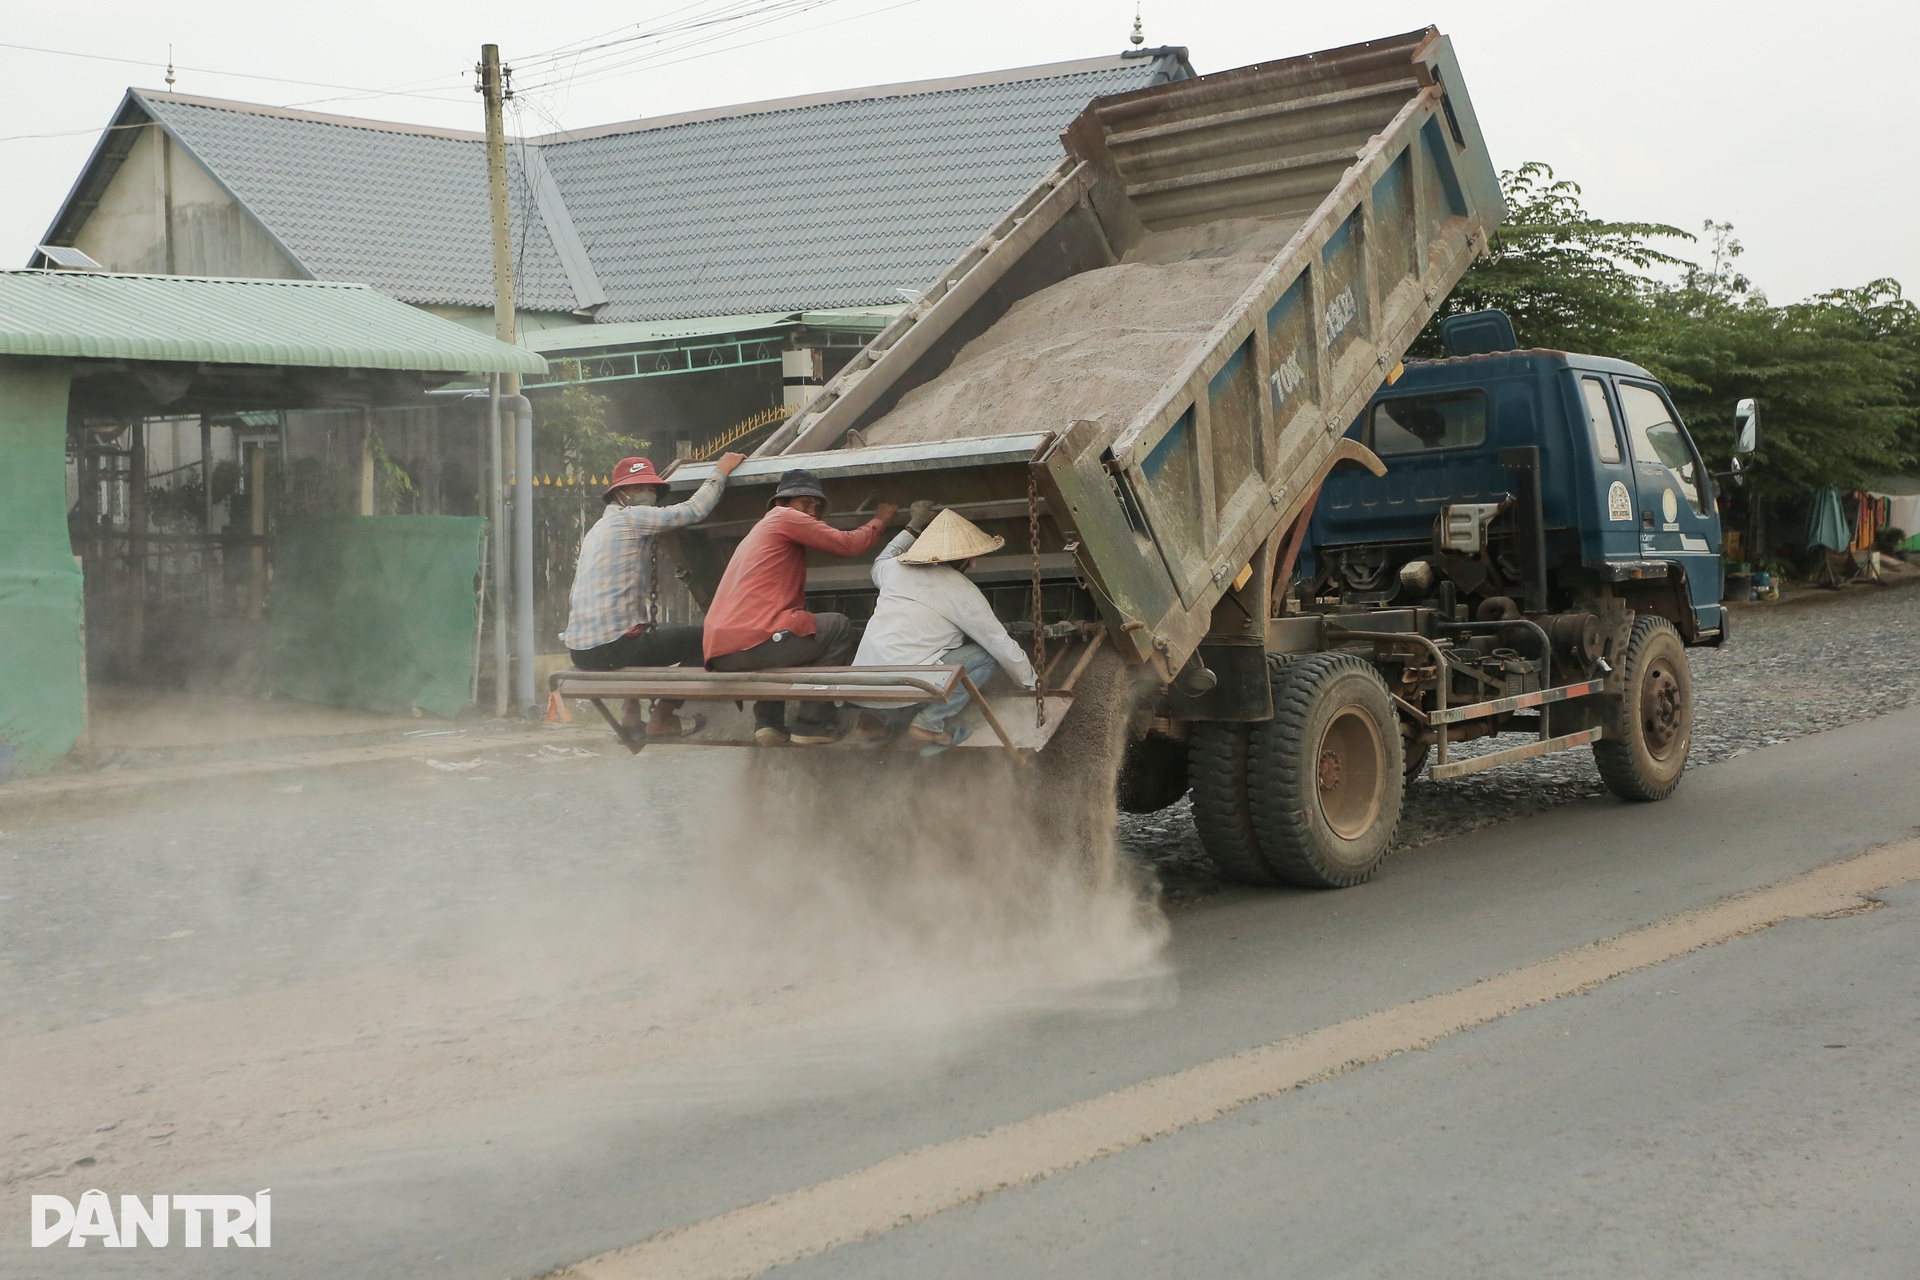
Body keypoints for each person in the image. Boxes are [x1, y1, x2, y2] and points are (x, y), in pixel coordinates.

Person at [703, 468, 896, 746]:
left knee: (790, 635)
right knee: (837, 627)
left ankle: (768, 724)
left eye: (816, 506)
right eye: (805, 503)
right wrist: (880, 520)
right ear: (782, 502)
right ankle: (813, 723)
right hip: (750, 642)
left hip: (723, 651)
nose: (812, 512)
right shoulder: (784, 517)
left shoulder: (760, 531)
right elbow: (848, 545)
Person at [561, 451, 747, 737]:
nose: (647, 493)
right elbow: (695, 509)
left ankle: (631, 714)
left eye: (651, 489)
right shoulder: (632, 519)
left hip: (581, 651)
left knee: (638, 632)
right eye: (639, 488)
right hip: (611, 648)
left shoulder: (597, 530)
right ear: (620, 493)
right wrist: (721, 470)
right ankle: (663, 717)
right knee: (709, 638)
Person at [847, 505, 1037, 754]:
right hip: (908, 686)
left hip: (862, 685)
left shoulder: (894, 569)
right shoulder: (963, 591)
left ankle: (871, 721)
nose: (975, 564)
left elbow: (880, 561)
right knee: (987, 657)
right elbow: (1000, 644)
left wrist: (913, 527)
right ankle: (929, 723)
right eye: (972, 557)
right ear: (965, 558)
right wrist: (1031, 683)